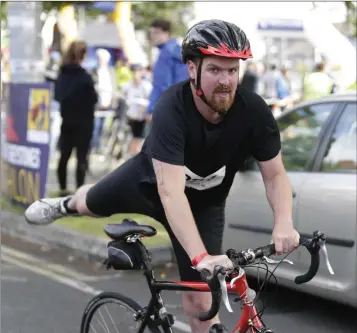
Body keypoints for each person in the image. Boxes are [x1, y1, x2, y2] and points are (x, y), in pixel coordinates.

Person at [25, 20, 300, 333]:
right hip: (148, 185)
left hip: (203, 205)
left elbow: (275, 175)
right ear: (192, 69)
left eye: (232, 70)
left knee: (201, 302)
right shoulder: (172, 108)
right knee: (91, 202)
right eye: (214, 70)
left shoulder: (254, 112)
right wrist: (201, 257)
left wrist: (284, 222)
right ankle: (65, 205)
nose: (225, 81)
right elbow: (170, 192)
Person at [54, 41, 98, 195]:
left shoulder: (62, 74)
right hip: (84, 122)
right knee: (81, 158)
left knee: (64, 156)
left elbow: (57, 96)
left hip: (67, 120)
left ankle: (62, 189)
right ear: (83, 55)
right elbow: (93, 98)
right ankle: (79, 191)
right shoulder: (85, 77)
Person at [147, 18, 189, 118]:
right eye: (152, 33)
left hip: (165, 109)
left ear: (167, 33)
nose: (153, 36)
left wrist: (152, 109)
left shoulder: (166, 53)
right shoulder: (178, 50)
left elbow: (162, 85)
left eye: (157, 32)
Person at [121, 64, 153, 155]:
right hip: (131, 117)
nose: (135, 75)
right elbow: (123, 98)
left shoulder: (146, 86)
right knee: (133, 141)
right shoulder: (127, 86)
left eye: (137, 72)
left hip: (143, 118)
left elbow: (151, 101)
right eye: (134, 72)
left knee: (141, 142)